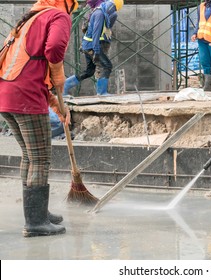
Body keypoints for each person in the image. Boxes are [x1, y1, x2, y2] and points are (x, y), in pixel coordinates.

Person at [0, 0, 77, 237]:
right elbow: (54, 50)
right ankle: (34, 222)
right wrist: (59, 76)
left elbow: (28, 67)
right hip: (26, 97)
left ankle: (37, 213)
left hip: (7, 94)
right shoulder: (58, 16)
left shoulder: (31, 17)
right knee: (41, 158)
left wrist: (56, 105)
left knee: (29, 156)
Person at [63, 0, 123, 96]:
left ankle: (65, 86)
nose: (114, 12)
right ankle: (102, 92)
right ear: (111, 7)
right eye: (114, 9)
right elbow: (96, 33)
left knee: (89, 71)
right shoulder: (100, 14)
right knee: (107, 66)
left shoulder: (100, 11)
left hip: (88, 45)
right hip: (92, 46)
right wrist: (97, 50)